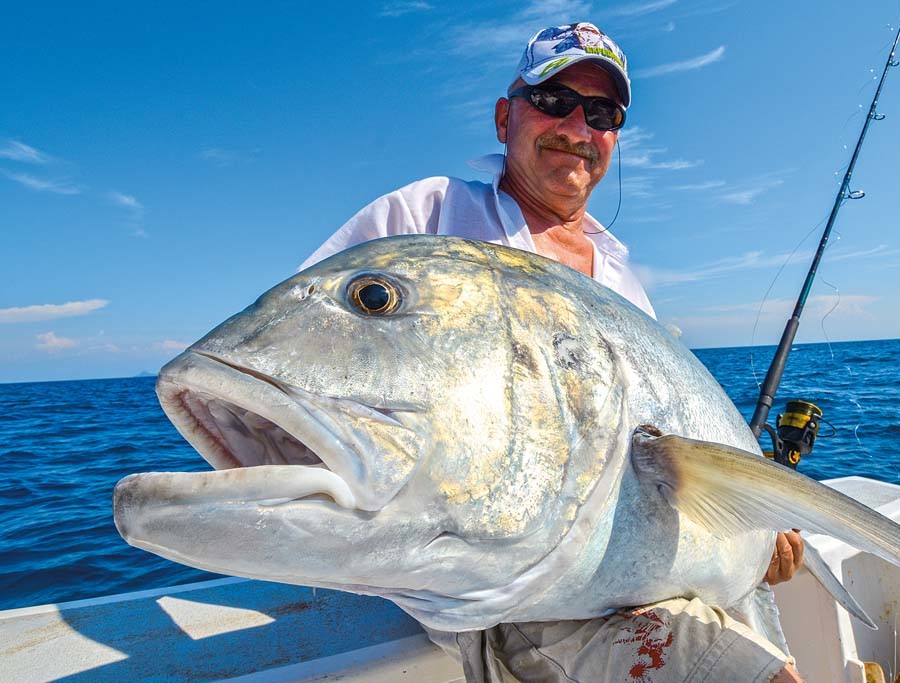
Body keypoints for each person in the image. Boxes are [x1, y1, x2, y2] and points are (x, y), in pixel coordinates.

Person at [301, 21, 804, 683]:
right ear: (505, 115)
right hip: (516, 578)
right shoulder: (427, 213)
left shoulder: (623, 282)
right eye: (554, 99)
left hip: (637, 572)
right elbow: (308, 345)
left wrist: (758, 525)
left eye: (601, 113)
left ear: (615, 137)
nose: (576, 126)